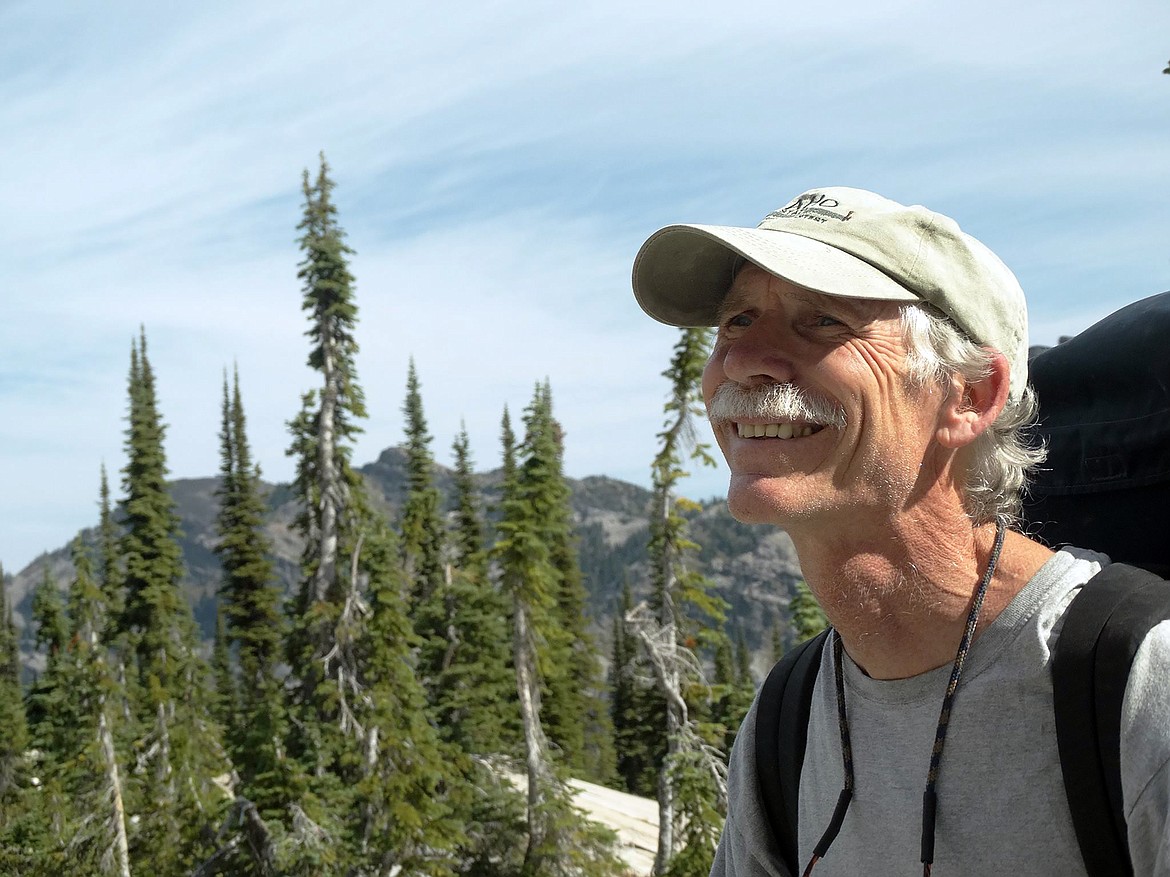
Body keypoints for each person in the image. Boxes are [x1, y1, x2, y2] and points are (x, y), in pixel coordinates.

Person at [630, 187, 1170, 876]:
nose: (743, 359)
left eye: (821, 320)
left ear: (969, 396)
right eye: (737, 320)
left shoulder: (1139, 683)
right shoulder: (785, 718)